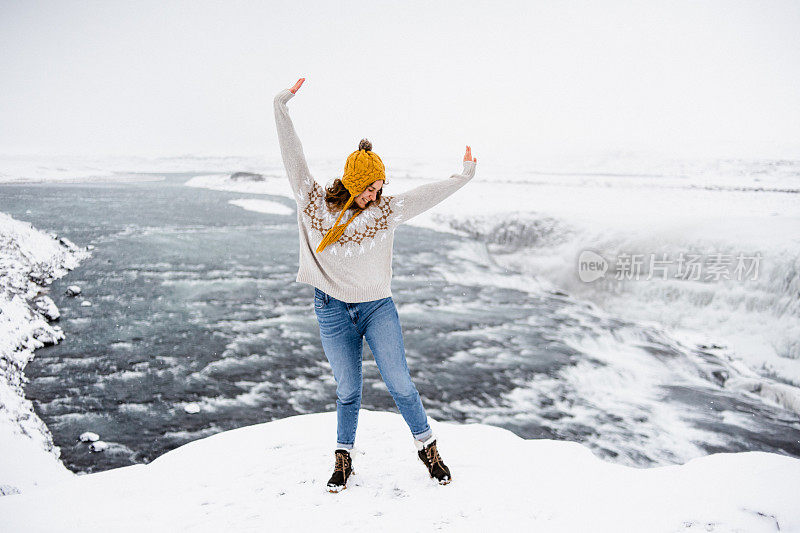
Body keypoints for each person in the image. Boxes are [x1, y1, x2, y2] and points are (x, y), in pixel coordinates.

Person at [273, 77, 477, 492]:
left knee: (400, 382)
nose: (376, 194)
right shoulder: (313, 204)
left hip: (376, 306)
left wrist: (464, 177)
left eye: (380, 186)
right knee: (348, 389)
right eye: (370, 187)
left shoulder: (384, 212)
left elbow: (424, 195)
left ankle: (428, 448)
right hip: (330, 307)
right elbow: (294, 157)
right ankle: (343, 458)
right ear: (352, 181)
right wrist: (281, 106)